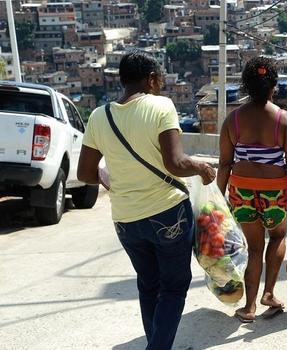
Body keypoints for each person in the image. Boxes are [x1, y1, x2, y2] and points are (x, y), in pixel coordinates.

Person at [77, 51, 216, 349]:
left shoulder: (99, 116)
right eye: (161, 80)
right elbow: (176, 163)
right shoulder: (161, 106)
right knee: (174, 287)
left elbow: (86, 172)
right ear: (151, 79)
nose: (162, 86)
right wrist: (203, 168)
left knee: (148, 284)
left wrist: (108, 180)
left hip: (126, 220)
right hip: (168, 214)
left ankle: (156, 343)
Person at [217, 56, 287, 323]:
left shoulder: (232, 121)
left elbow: (225, 164)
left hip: (242, 191)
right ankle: (268, 293)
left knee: (254, 248)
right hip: (275, 191)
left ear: (246, 86)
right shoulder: (284, 121)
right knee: (278, 237)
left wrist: (217, 201)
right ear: (274, 86)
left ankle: (249, 308)